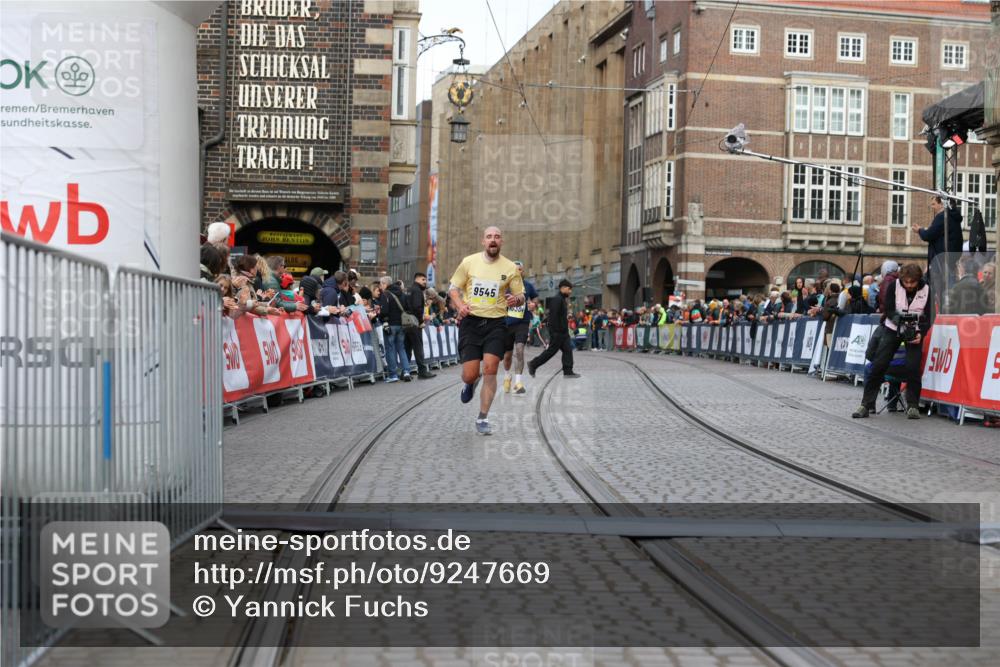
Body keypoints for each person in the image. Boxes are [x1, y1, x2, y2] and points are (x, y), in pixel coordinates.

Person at [448, 226, 526, 435]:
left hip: (496, 323)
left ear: (502, 242)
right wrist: (459, 305)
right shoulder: (469, 262)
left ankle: (482, 417)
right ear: (483, 241)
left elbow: (521, 295)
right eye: (489, 237)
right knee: (470, 373)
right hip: (471, 323)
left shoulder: (511, 268)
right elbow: (453, 289)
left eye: (497, 237)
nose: (493, 240)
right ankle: (469, 384)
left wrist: (515, 298)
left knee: (491, 369)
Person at [853, 263, 930, 420]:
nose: (908, 285)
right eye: (906, 282)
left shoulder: (927, 289)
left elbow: (929, 315)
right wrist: (899, 320)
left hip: (914, 331)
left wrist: (921, 333)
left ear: (918, 280)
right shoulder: (893, 286)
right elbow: (888, 308)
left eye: (912, 283)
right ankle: (866, 405)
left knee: (913, 367)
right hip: (892, 328)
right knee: (879, 364)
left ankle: (913, 406)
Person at [527, 279, 581, 380]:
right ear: (563, 288)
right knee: (550, 352)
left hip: (563, 333)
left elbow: (558, 316)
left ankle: (568, 371)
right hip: (558, 332)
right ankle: (533, 364)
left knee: (567, 350)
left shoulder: (562, 299)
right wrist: (555, 331)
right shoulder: (557, 299)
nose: (570, 291)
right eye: (569, 289)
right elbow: (553, 316)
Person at [501, 261, 538, 395]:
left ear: (523, 271)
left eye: (520, 269)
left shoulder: (528, 286)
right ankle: (507, 376)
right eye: (515, 269)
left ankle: (518, 382)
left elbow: (535, 299)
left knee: (520, 350)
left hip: (522, 322)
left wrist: (534, 305)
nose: (518, 271)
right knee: (507, 355)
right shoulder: (505, 286)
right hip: (506, 323)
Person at [912, 196, 963, 283]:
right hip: (951, 257)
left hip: (941, 258)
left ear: (941, 204)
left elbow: (929, 235)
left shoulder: (942, 217)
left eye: (934, 204)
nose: (932, 207)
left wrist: (919, 230)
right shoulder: (953, 217)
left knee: (940, 284)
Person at [377, 275, 412, 382]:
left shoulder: (386, 294)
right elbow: (408, 309)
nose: (380, 287)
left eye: (381, 284)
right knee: (401, 348)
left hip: (390, 325)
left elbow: (384, 311)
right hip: (402, 325)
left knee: (390, 349)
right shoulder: (402, 294)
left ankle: (393, 374)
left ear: (385, 284)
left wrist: (383, 320)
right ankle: (406, 371)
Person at [402, 272, 437, 379]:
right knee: (418, 347)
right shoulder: (417, 291)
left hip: (406, 322)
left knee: (407, 348)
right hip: (415, 322)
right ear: (417, 279)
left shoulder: (409, 290)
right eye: (423, 280)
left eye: (425, 280)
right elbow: (417, 307)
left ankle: (405, 371)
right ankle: (422, 371)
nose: (425, 282)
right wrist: (421, 321)